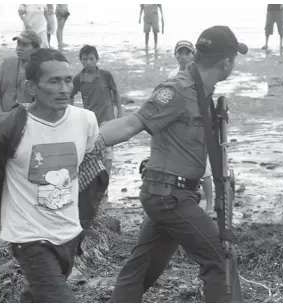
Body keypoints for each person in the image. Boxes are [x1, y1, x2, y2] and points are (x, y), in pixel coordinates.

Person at [99, 25, 248, 302]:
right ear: (226, 62)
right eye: (234, 59)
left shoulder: (203, 93)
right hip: (169, 197)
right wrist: (85, 143)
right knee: (220, 258)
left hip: (173, 195)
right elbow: (132, 123)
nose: (234, 64)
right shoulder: (177, 90)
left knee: (140, 270)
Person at [0, 48, 107, 303]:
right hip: (29, 237)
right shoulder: (8, 127)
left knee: (37, 297)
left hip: (69, 232)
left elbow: (89, 164)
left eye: (68, 80)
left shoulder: (85, 120)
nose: (64, 89)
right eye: (54, 81)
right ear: (31, 87)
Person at [168, 40, 214, 216]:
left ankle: (210, 205)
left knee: (205, 168)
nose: (183, 56)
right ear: (176, 55)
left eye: (187, 53)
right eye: (180, 53)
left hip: (197, 122)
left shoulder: (199, 75)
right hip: (178, 124)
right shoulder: (172, 76)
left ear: (193, 55)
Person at [70, 45, 122, 183]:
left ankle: (105, 183)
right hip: (90, 121)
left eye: (91, 59)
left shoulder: (105, 75)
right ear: (80, 60)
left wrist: (119, 113)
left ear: (97, 59)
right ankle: (94, 181)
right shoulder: (78, 79)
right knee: (92, 152)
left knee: (108, 152)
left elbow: (115, 92)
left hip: (107, 119)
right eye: (85, 59)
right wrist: (70, 113)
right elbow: (71, 95)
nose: (88, 62)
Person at [0, 30, 41, 115]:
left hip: (30, 118)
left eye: (24, 45)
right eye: (18, 44)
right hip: (4, 117)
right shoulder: (5, 64)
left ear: (36, 49)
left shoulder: (42, 69)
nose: (19, 48)